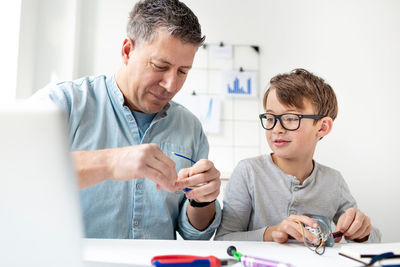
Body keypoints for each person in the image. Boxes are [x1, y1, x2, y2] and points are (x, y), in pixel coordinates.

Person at [32, 0, 221, 240]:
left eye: (183, 71)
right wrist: (110, 162)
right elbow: (13, 171)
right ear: (127, 51)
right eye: (160, 66)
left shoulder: (190, 127)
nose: (172, 84)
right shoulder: (64, 103)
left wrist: (204, 200)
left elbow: (195, 235)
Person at [215, 68, 381, 243]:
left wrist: (362, 232)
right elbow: (224, 238)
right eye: (271, 118)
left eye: (291, 118)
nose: (277, 128)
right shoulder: (248, 172)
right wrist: (272, 233)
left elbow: (372, 241)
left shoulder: (333, 181)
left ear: (322, 127)